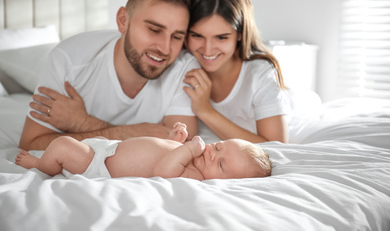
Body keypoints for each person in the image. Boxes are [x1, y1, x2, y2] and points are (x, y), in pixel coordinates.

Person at [19, 0, 200, 151]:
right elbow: (31, 144)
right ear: (123, 20)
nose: (165, 48)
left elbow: (179, 149)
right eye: (154, 30)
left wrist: (83, 123)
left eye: (176, 37)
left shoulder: (184, 68)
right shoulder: (69, 60)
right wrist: (133, 133)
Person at [183, 0, 291, 144]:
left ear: (239, 34)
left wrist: (206, 111)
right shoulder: (183, 64)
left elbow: (278, 146)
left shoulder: (260, 73)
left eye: (221, 37)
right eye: (197, 35)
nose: (208, 49)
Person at [15, 123, 272, 180]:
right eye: (218, 147)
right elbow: (166, 152)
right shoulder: (194, 158)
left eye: (221, 165)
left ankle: (41, 166)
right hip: (108, 149)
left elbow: (164, 169)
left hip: (98, 166)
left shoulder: (195, 177)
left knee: (62, 145)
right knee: (69, 143)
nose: (212, 154)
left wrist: (190, 148)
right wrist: (175, 140)